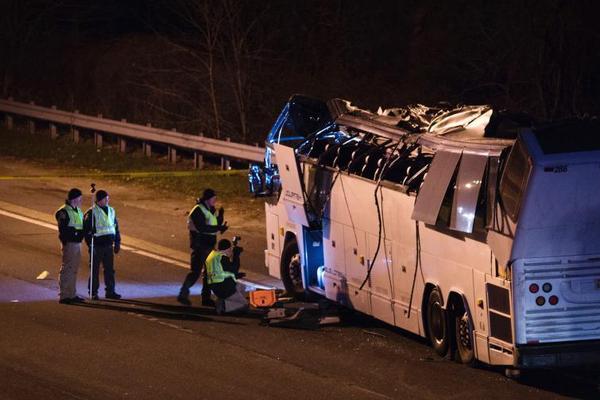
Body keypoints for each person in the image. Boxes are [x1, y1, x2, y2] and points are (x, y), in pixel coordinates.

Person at [177, 188, 227, 306]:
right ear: (208, 199)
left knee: (209, 272)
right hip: (200, 245)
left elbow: (214, 223)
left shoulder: (210, 209)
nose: (215, 201)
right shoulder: (197, 210)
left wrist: (221, 217)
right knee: (196, 272)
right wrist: (218, 228)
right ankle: (184, 294)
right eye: (213, 199)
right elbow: (202, 228)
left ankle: (205, 298)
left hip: (208, 244)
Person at [83, 189, 122, 300]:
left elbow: (116, 228)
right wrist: (90, 244)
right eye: (106, 198)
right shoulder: (91, 212)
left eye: (108, 198)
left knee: (109, 270)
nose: (108, 200)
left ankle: (110, 291)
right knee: (94, 271)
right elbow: (86, 230)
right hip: (97, 246)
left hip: (109, 246)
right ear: (99, 200)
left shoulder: (111, 210)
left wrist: (117, 242)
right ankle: (93, 292)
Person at [55, 188, 86, 304]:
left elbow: (80, 226)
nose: (81, 200)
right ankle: (64, 295)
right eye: (79, 198)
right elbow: (64, 229)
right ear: (74, 198)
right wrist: (76, 233)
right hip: (69, 243)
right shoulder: (63, 212)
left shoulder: (78, 210)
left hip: (77, 243)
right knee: (67, 268)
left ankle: (72, 294)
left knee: (74, 269)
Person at [206, 239, 247, 314]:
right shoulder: (223, 259)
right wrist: (236, 255)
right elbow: (234, 268)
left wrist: (236, 275)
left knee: (240, 286)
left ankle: (221, 300)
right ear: (228, 249)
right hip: (223, 289)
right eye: (230, 249)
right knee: (244, 304)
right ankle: (224, 305)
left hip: (214, 286)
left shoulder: (213, 256)